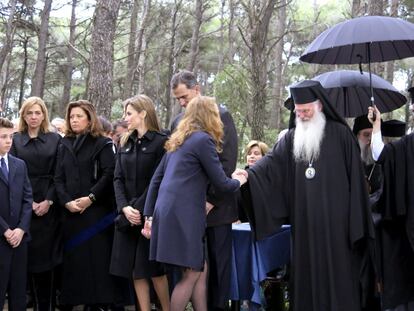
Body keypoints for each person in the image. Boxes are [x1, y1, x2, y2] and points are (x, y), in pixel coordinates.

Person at [237, 80, 374, 311]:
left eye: (306, 110)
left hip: (338, 229)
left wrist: (355, 224)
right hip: (305, 227)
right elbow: (271, 165)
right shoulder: (291, 138)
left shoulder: (341, 135)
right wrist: (248, 176)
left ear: (320, 106)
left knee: (338, 277)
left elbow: (357, 182)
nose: (301, 115)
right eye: (298, 112)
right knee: (306, 278)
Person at [142, 96, 246, 311]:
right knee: (191, 274)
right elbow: (222, 183)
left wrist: (149, 215)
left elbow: (156, 180)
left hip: (167, 212)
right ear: (211, 116)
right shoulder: (202, 140)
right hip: (185, 215)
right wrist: (240, 179)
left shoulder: (177, 142)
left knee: (200, 268)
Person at [170, 70, 238, 310]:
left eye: (184, 96)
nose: (182, 102)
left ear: (197, 89)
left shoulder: (221, 115)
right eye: (177, 99)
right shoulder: (177, 123)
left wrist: (211, 200)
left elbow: (227, 162)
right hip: (188, 210)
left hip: (217, 209)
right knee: (193, 268)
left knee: (218, 268)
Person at [54, 100, 119, 310]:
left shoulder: (102, 143)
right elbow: (58, 177)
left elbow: (109, 174)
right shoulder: (64, 143)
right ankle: (71, 301)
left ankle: (98, 304)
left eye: (79, 116)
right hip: (71, 213)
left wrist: (90, 198)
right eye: (71, 117)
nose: (74, 120)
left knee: (96, 261)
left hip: (96, 213)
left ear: (89, 118)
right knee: (74, 263)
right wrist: (65, 202)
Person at [110, 95, 170, 311]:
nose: (125, 118)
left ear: (143, 113)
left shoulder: (162, 141)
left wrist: (138, 208)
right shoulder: (124, 141)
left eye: (129, 113)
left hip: (149, 215)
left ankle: (166, 308)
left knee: (154, 270)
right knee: (135, 269)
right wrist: (124, 207)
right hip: (128, 215)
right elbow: (117, 178)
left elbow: (159, 179)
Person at [10, 97, 62, 311]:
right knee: (25, 260)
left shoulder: (54, 139)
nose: (33, 117)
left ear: (44, 115)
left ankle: (46, 306)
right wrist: (29, 202)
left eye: (37, 113)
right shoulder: (15, 139)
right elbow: (12, 173)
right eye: (29, 113)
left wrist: (48, 200)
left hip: (49, 207)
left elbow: (59, 173)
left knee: (46, 261)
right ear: (23, 115)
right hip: (23, 205)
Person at [368, 105, 414, 311]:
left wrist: (377, 123)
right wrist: (377, 124)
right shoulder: (409, 144)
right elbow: (380, 154)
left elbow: (380, 154)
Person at [0, 117, 33, 311]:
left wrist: (21, 229)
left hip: (19, 240)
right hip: (1, 237)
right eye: (3, 137)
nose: (8, 141)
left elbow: (27, 199)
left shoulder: (19, 165)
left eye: (10, 137)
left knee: (18, 291)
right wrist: (6, 230)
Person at [237, 140, 269, 223]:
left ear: (265, 156)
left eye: (256, 153)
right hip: (243, 226)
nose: (251, 156)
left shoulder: (271, 179)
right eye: (249, 153)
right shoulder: (239, 177)